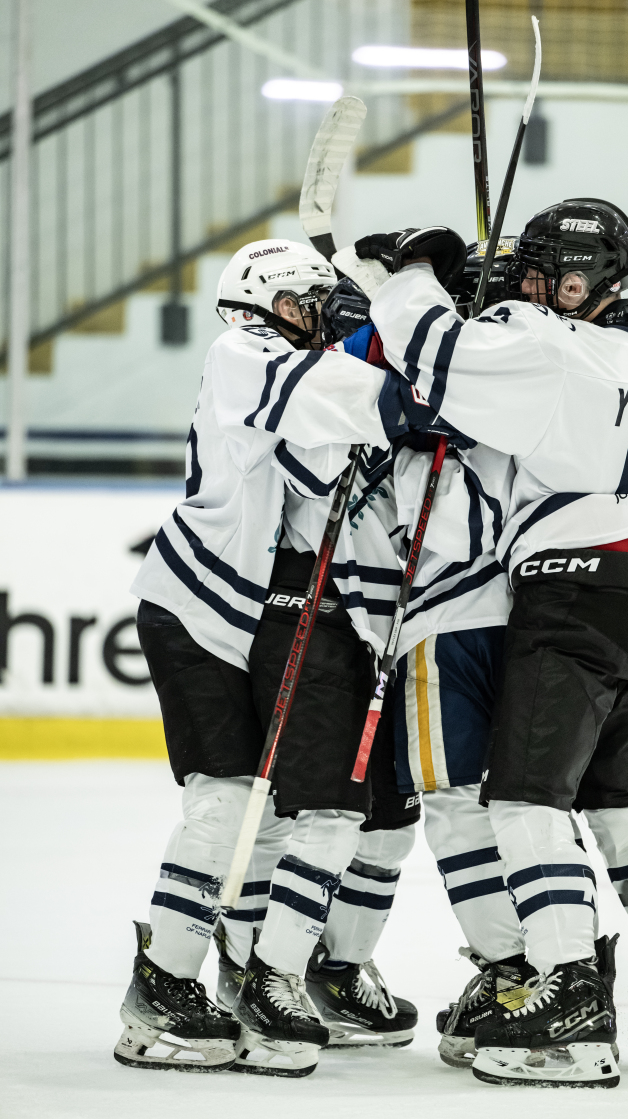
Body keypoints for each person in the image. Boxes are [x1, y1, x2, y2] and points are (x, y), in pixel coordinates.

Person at [350, 200, 628, 1087]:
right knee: (627, 801)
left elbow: (433, 356)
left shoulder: (546, 345)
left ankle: (571, 999)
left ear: (586, 281)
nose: (532, 284)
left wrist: (412, 275)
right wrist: (499, 308)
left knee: (523, 800)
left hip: (571, 592)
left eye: (546, 272)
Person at [116, 239, 417, 1078]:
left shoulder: (285, 365)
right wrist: (392, 321)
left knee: (260, 808)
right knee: (221, 801)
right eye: (316, 304)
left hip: (236, 615)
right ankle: (160, 986)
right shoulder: (243, 351)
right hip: (196, 609)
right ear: (280, 305)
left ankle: (234, 971)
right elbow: (387, 404)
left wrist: (372, 321)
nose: (325, 318)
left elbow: (330, 462)